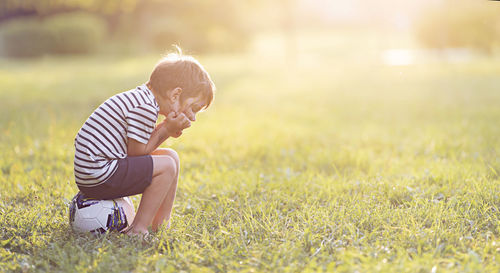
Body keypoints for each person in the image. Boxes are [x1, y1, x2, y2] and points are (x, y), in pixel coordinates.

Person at [73, 51, 215, 236]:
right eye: (194, 108)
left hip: (97, 171)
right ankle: (138, 228)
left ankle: (161, 224)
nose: (193, 118)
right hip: (98, 177)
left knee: (171, 157)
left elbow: (140, 150)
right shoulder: (145, 108)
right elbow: (138, 154)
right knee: (166, 166)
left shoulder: (143, 99)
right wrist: (166, 129)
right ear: (175, 95)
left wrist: (166, 129)